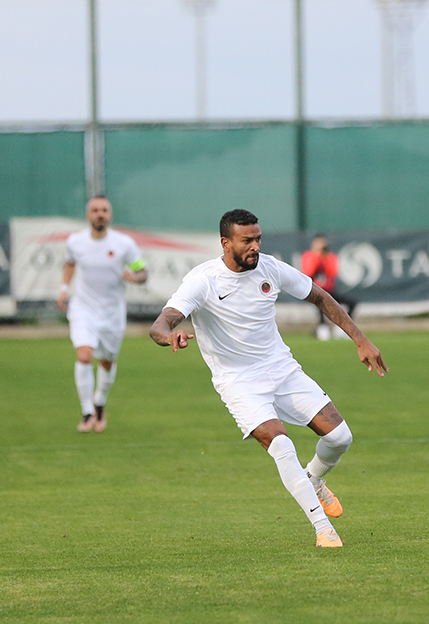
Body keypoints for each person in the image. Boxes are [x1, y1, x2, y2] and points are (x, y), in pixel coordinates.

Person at [149, 209, 387, 548]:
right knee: (281, 445)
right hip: (238, 381)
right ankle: (323, 529)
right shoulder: (202, 280)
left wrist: (360, 339)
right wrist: (168, 336)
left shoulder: (270, 268)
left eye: (258, 238)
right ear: (225, 242)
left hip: (282, 370)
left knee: (340, 438)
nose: (255, 246)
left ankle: (314, 480)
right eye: (247, 240)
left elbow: (319, 296)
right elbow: (161, 323)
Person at [57, 196, 148, 433]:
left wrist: (134, 276)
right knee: (84, 355)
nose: (100, 214)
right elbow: (69, 263)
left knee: (106, 362)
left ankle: (100, 402)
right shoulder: (75, 241)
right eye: (95, 210)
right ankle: (87, 412)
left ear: (110, 215)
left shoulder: (124, 244)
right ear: (88, 215)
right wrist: (64, 288)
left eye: (104, 210)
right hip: (83, 309)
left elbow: (143, 272)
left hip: (112, 313)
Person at [300, 234, 357, 341]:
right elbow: (308, 272)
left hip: (329, 290)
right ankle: (322, 327)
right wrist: (317, 257)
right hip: (314, 290)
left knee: (351, 302)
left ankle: (343, 327)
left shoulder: (330, 257)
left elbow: (332, 273)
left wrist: (324, 258)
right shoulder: (308, 256)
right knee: (320, 303)